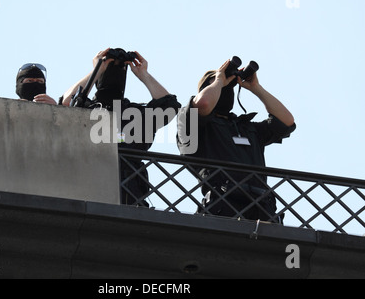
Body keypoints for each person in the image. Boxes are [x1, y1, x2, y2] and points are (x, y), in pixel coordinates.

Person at [177, 59, 296, 223]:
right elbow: (203, 104)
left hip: (261, 206)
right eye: (219, 84)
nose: (225, 86)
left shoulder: (246, 127)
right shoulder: (192, 123)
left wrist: (256, 89)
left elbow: (286, 121)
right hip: (222, 204)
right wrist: (219, 79)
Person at [61, 48, 181, 207]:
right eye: (110, 68)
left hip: (131, 197)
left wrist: (143, 74)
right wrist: (97, 70)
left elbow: (169, 107)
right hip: (89, 195)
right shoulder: (86, 109)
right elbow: (66, 103)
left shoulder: (135, 114)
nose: (115, 72)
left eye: (120, 69)